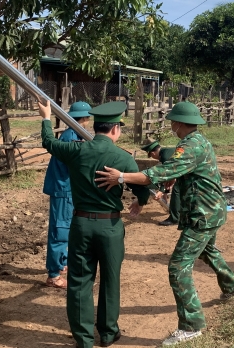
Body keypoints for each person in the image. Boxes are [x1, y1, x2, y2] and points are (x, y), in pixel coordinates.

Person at [95, 101, 234, 347]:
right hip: (210, 211)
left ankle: (191, 325)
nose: (172, 126)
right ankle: (232, 286)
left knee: (178, 268)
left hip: (203, 215)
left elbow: (159, 172)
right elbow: (180, 172)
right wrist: (168, 184)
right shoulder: (198, 142)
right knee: (208, 251)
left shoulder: (190, 147)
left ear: (178, 123)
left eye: (173, 122)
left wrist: (121, 176)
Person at [37, 99, 151, 348]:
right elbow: (142, 188)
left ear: (97, 127)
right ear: (115, 129)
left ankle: (84, 339)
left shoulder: (77, 150)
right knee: (110, 280)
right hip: (110, 227)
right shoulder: (122, 158)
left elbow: (49, 143)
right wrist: (139, 203)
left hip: (80, 225)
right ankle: (108, 333)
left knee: (79, 282)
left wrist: (46, 117)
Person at [42, 101, 92, 289]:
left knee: (65, 228)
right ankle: (53, 274)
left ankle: (61, 262)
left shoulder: (73, 134)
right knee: (60, 230)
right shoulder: (72, 137)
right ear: (84, 119)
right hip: (64, 189)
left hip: (66, 188)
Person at [141, 139, 180, 226]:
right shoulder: (167, 152)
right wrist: (165, 193)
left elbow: (166, 175)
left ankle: (175, 219)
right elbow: (169, 176)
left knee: (177, 190)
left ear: (152, 153)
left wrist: (161, 191)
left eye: (150, 155)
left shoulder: (165, 157)